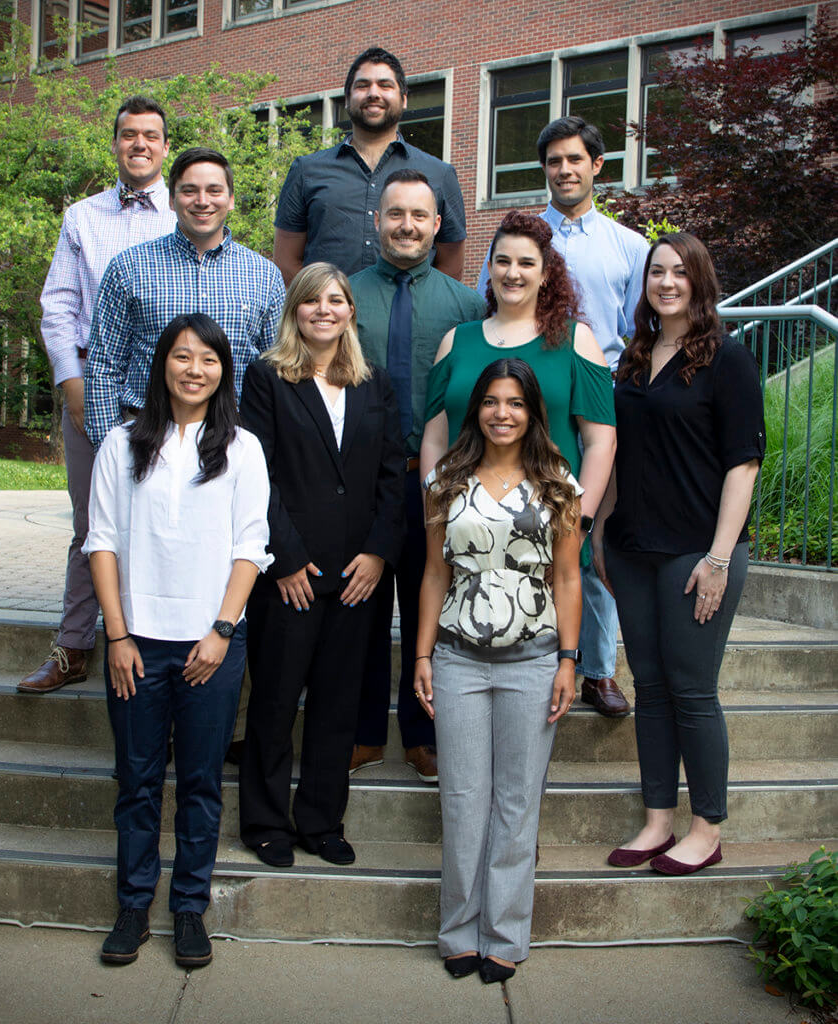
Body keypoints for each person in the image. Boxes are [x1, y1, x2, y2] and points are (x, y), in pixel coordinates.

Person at [84, 313, 272, 967]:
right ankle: (133, 905)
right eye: (183, 357)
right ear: (162, 363)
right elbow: (101, 542)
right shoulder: (121, 443)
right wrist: (116, 635)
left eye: (209, 360)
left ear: (224, 371)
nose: (195, 370)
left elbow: (251, 548)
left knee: (198, 783)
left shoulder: (242, 449)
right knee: (135, 781)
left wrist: (221, 631)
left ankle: (189, 909)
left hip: (210, 648)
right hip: (137, 644)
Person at [596, 233, 765, 874]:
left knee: (693, 690)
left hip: (696, 551)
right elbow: (618, 456)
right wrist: (601, 532)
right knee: (652, 688)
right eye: (656, 272)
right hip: (634, 546)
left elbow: (743, 465)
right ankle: (657, 820)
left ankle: (707, 827)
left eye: (679, 272)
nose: (666, 282)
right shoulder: (635, 360)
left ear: (700, 281)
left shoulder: (728, 359)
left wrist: (719, 557)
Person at [415, 358, 582, 982]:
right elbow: (435, 574)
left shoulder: (558, 482)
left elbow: (567, 576)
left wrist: (570, 659)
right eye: (490, 401)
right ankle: (458, 931)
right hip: (458, 658)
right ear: (476, 409)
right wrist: (424, 654)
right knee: (462, 798)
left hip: (534, 660)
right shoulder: (447, 480)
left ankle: (505, 936)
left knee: (517, 803)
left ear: (532, 411)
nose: (502, 413)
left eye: (514, 402)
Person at [477, 116, 649, 717]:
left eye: (575, 159)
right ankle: (509, 643)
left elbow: (638, 333)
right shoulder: (519, 240)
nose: (564, 171)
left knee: (586, 535)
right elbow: (489, 308)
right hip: (519, 397)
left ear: (597, 166)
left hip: (594, 398)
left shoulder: (629, 246)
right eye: (553, 162)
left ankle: (597, 666)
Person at [238, 263, 404, 869]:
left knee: (338, 705)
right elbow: (257, 477)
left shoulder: (375, 385)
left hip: (358, 577)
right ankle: (263, 820)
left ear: (351, 311)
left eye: (336, 301)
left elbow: (393, 475)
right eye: (312, 301)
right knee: (276, 702)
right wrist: (284, 559)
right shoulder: (266, 379)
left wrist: (380, 553)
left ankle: (321, 820)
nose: (324, 311)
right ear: (295, 310)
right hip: (290, 577)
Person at [19, 96, 176, 694]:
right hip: (93, 384)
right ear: (114, 144)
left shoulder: (185, 210)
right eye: (128, 135)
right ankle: (74, 646)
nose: (139, 144)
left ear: (165, 146)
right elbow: (57, 304)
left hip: (168, 391)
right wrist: (70, 381)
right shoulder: (82, 217)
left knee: (165, 519)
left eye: (151, 136)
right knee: (93, 521)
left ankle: (156, 643)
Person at [348, 169, 487, 783]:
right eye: (395, 213)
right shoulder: (343, 297)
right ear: (376, 221)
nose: (407, 225)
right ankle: (363, 732)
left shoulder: (466, 307)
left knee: (432, 607)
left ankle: (423, 734)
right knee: (365, 613)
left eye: (419, 216)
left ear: (437, 225)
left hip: (438, 481)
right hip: (361, 484)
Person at [421, 211, 615, 636]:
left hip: (547, 537)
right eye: (502, 261)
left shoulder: (576, 340)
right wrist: (437, 515)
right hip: (467, 536)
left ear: (547, 274)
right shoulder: (456, 341)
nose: (513, 273)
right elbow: (434, 438)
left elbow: (601, 443)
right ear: (489, 269)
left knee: (546, 662)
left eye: (526, 263)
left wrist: (580, 525)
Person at [84, 147, 284, 449]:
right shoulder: (129, 268)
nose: (202, 201)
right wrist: (111, 451)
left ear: (230, 200)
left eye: (214, 191)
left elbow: (279, 372)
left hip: (234, 442)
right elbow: (103, 367)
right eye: (189, 191)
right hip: (147, 439)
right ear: (171, 199)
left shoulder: (264, 275)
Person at [273, 47, 467, 283]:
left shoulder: (439, 174)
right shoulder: (306, 171)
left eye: (385, 85)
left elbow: (451, 265)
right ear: (347, 99)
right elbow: (286, 261)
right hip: (329, 318)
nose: (373, 93)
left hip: (409, 318)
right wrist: (323, 306)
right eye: (363, 85)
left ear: (404, 99)